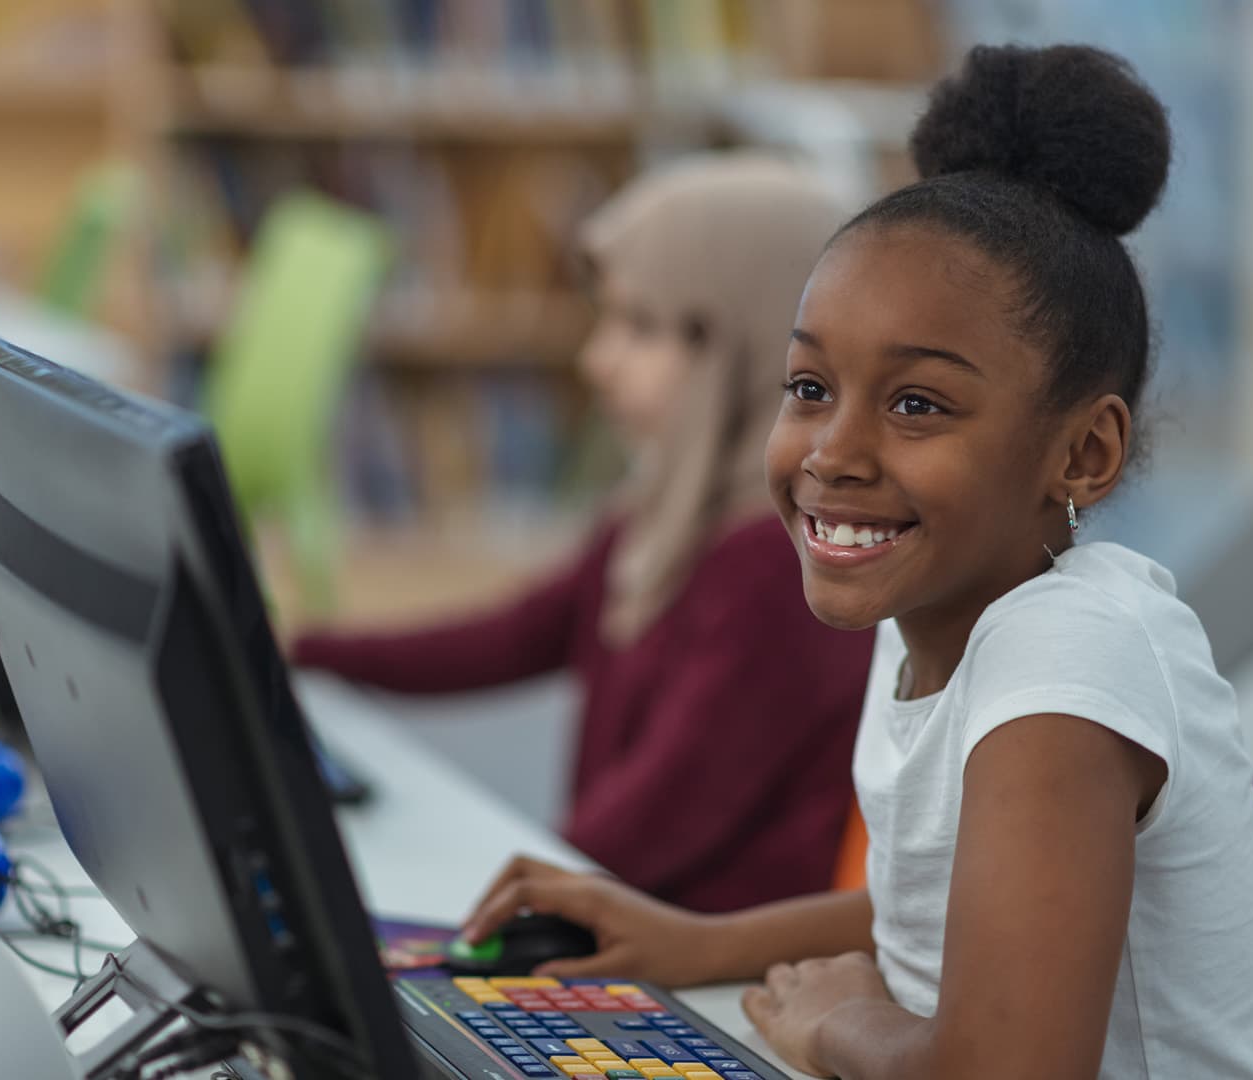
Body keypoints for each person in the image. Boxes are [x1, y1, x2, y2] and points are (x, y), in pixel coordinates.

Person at [456, 46, 1253, 1080]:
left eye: (917, 405)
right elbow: (942, 901)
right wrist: (693, 942)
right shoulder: (933, 611)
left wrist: (840, 1025)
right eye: (809, 386)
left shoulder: (1069, 656)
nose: (832, 453)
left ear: (1083, 453)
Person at [291, 155, 874, 914]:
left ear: (753, 343)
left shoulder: (781, 566)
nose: (596, 360)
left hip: (707, 974)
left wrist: (487, 907)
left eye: (639, 327)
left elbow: (654, 819)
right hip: (621, 912)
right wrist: (306, 650)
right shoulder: (664, 507)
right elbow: (514, 636)